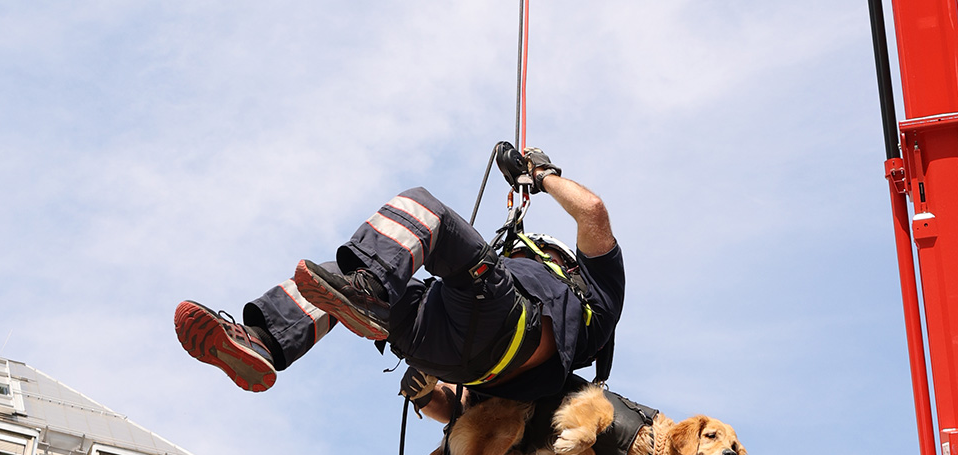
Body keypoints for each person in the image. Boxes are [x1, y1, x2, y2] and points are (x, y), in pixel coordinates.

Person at [174, 145, 623, 402]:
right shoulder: (539, 309)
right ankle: (265, 342)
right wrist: (426, 394)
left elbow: (592, 211)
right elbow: (458, 408)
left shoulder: (594, 293)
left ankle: (367, 293)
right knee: (329, 279)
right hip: (448, 352)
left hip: (501, 324)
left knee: (421, 207)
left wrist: (539, 174)